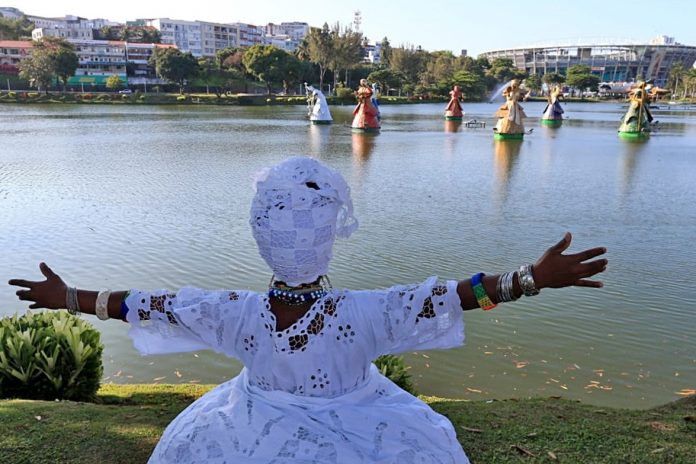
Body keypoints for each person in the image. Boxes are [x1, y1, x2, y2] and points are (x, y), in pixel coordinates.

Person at [9, 156, 608, 463]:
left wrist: (68, 298)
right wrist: (531, 278)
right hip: (368, 423)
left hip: (243, 425)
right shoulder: (370, 312)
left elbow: (145, 305)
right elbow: (453, 295)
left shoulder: (232, 313)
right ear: (331, 237)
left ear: (260, 234)